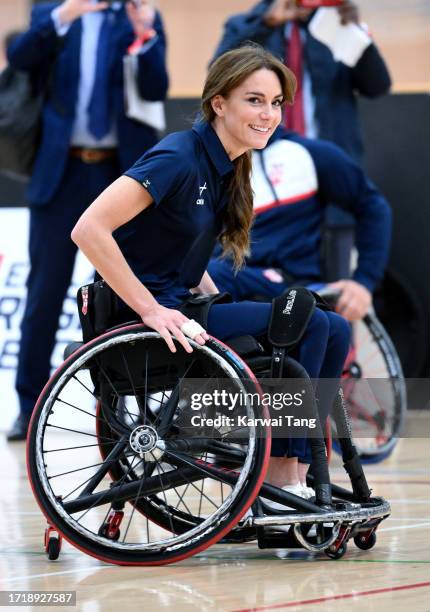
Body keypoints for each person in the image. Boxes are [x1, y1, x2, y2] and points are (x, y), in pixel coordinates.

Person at [71, 45, 350, 501]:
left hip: (184, 308)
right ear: (219, 103)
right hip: (141, 320)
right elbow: (88, 229)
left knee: (334, 326)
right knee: (311, 321)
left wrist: (221, 303)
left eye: (276, 102)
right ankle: (280, 476)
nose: (269, 114)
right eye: (254, 100)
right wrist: (151, 310)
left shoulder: (226, 165)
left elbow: (186, 256)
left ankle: (296, 469)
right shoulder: (180, 157)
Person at [7, 0, 168, 441]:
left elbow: (156, 87)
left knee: (116, 298)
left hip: (122, 176)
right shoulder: (54, 10)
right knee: (44, 291)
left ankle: (115, 412)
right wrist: (66, 13)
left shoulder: (139, 13)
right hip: (61, 173)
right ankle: (29, 406)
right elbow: (20, 58)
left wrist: (146, 35)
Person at [208, 126, 392, 322]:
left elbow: (373, 207)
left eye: (275, 102)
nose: (265, 112)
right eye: (253, 100)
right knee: (195, 278)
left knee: (211, 274)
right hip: (227, 278)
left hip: (292, 283)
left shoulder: (310, 153)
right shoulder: (204, 164)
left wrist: (364, 282)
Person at [212, 0, 391, 164]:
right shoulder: (245, 24)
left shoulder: (336, 25)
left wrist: (354, 34)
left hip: (330, 159)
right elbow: (218, 77)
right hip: (265, 161)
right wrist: (265, 24)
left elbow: (377, 86)